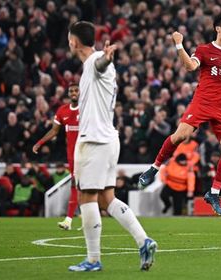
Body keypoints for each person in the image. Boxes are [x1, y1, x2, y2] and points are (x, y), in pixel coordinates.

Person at [137, 12, 221, 216]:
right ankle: (153, 168)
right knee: (181, 135)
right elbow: (190, 66)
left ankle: (213, 192)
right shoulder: (204, 50)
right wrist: (179, 45)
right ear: (218, 28)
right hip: (202, 102)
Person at [66, 21, 156, 272]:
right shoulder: (92, 65)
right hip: (108, 139)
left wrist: (105, 58)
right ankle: (144, 240)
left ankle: (93, 260)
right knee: (107, 198)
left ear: (73, 41)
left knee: (86, 197)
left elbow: (99, 65)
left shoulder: (96, 62)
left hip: (94, 140)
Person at [33, 84, 80, 230]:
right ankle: (71, 220)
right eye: (71, 91)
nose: (73, 93)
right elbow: (54, 131)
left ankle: (74, 219)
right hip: (72, 157)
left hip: (88, 154)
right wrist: (40, 143)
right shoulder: (62, 110)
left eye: (76, 90)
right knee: (76, 186)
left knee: (85, 187)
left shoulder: (87, 108)